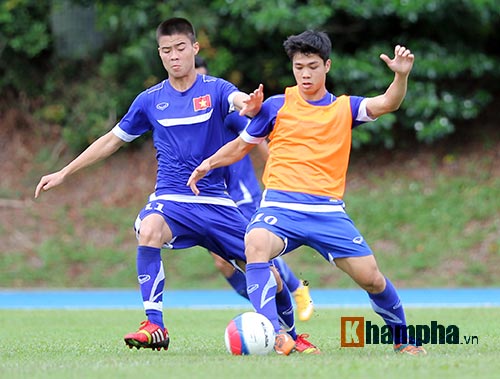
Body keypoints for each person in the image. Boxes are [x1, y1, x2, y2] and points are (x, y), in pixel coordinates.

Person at [34, 17, 317, 355]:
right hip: (172, 199)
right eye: (166, 50)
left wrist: (250, 106)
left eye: (181, 48)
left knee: (269, 271)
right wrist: (65, 171)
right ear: (160, 54)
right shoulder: (150, 100)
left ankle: (293, 335)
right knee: (149, 228)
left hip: (217, 203)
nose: (174, 56)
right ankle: (155, 325)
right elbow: (112, 140)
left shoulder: (216, 89)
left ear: (194, 49)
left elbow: (240, 101)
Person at [188, 30, 427, 356]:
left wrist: (400, 76)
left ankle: (403, 340)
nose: (304, 74)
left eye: (312, 66)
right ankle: (276, 334)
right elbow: (242, 146)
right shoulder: (275, 106)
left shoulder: (344, 108)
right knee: (255, 243)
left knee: (372, 279)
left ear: (326, 66)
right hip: (280, 206)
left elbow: (388, 102)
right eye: (298, 67)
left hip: (327, 212)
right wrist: (208, 164)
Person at [194, 56, 314, 322]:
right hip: (211, 195)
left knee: (252, 249)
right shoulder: (184, 111)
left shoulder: (226, 112)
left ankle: (295, 290)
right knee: (222, 262)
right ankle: (268, 303)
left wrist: (279, 172)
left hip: (241, 192)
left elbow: (256, 138)